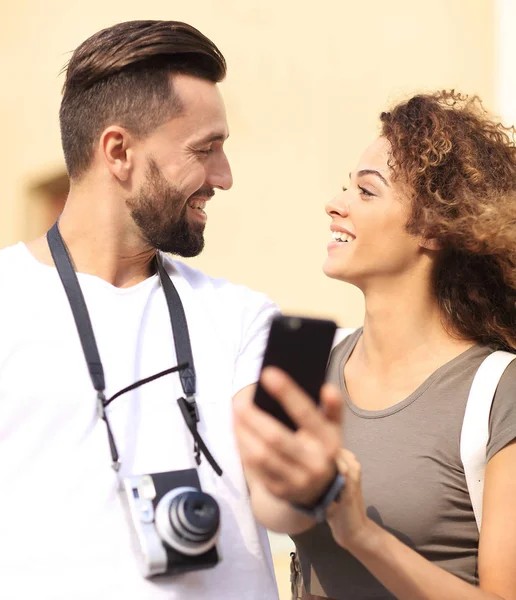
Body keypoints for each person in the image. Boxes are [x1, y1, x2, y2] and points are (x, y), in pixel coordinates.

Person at [0, 20, 280, 600]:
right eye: (206, 150)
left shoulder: (244, 317)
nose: (223, 178)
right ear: (119, 152)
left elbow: (283, 494)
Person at [234, 90, 516, 599]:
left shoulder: (499, 391)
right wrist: (296, 488)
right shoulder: (314, 368)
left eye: (366, 192)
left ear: (433, 227)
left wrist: (361, 533)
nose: (335, 204)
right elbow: (269, 513)